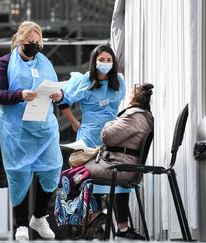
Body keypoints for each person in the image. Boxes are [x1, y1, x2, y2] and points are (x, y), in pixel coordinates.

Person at [0, 21, 64, 241]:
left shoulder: (45, 64)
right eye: (30, 42)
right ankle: (21, 224)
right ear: (20, 40)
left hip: (43, 126)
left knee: (53, 168)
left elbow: (55, 87)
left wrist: (59, 96)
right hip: (17, 129)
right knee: (19, 174)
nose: (34, 45)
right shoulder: (4, 63)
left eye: (37, 42)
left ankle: (39, 217)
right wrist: (20, 94)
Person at [55, 83, 154, 240]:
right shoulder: (141, 116)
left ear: (132, 98)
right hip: (119, 164)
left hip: (119, 167)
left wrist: (110, 121)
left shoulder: (132, 117)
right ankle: (99, 221)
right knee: (75, 174)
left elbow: (107, 136)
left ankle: (88, 220)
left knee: (67, 176)